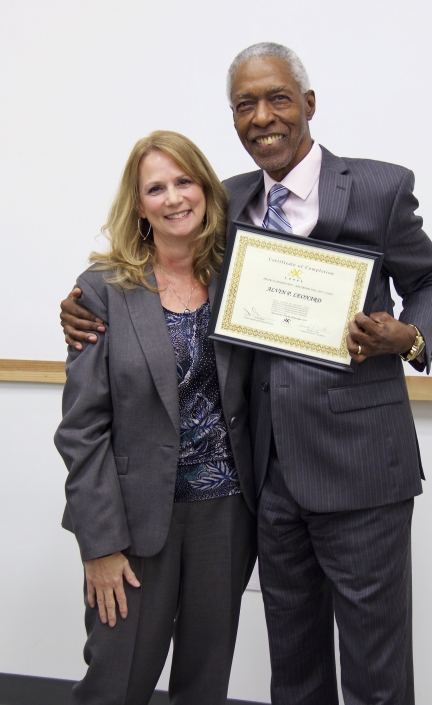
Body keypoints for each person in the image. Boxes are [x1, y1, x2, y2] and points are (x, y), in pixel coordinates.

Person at [60, 44, 432, 705]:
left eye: (277, 98)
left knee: (376, 674)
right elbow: (147, 281)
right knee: (293, 671)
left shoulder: (380, 189)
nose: (263, 116)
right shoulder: (228, 200)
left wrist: (409, 336)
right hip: (269, 485)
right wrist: (79, 305)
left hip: (361, 470)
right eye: (245, 104)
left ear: (308, 103)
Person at [54, 130, 257, 705]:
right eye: (156, 188)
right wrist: (98, 545)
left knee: (205, 683)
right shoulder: (100, 291)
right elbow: (81, 431)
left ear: (206, 189)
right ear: (138, 204)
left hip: (226, 517)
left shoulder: (238, 279)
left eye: (184, 181)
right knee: (115, 683)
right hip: (134, 525)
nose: (173, 198)